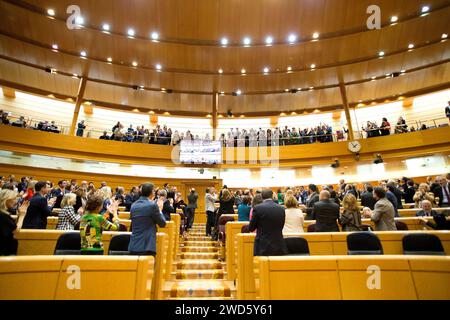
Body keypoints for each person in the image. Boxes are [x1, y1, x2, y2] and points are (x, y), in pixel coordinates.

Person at [128, 183, 166, 256]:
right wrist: (160, 210)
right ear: (152, 192)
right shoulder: (152, 205)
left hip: (133, 245)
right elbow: (162, 223)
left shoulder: (134, 205)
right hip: (147, 246)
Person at [248, 189, 288, 256]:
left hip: (262, 245)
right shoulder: (281, 208)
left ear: (262, 196)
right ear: (272, 196)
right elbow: (281, 226)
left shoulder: (257, 208)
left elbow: (251, 228)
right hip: (278, 244)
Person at [0, 189, 29, 255]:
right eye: (14, 199)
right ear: (6, 200)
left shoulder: (3, 213)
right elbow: (16, 230)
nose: (15, 202)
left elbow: (11, 226)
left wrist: (19, 214)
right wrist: (22, 215)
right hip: (4, 250)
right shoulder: (2, 215)